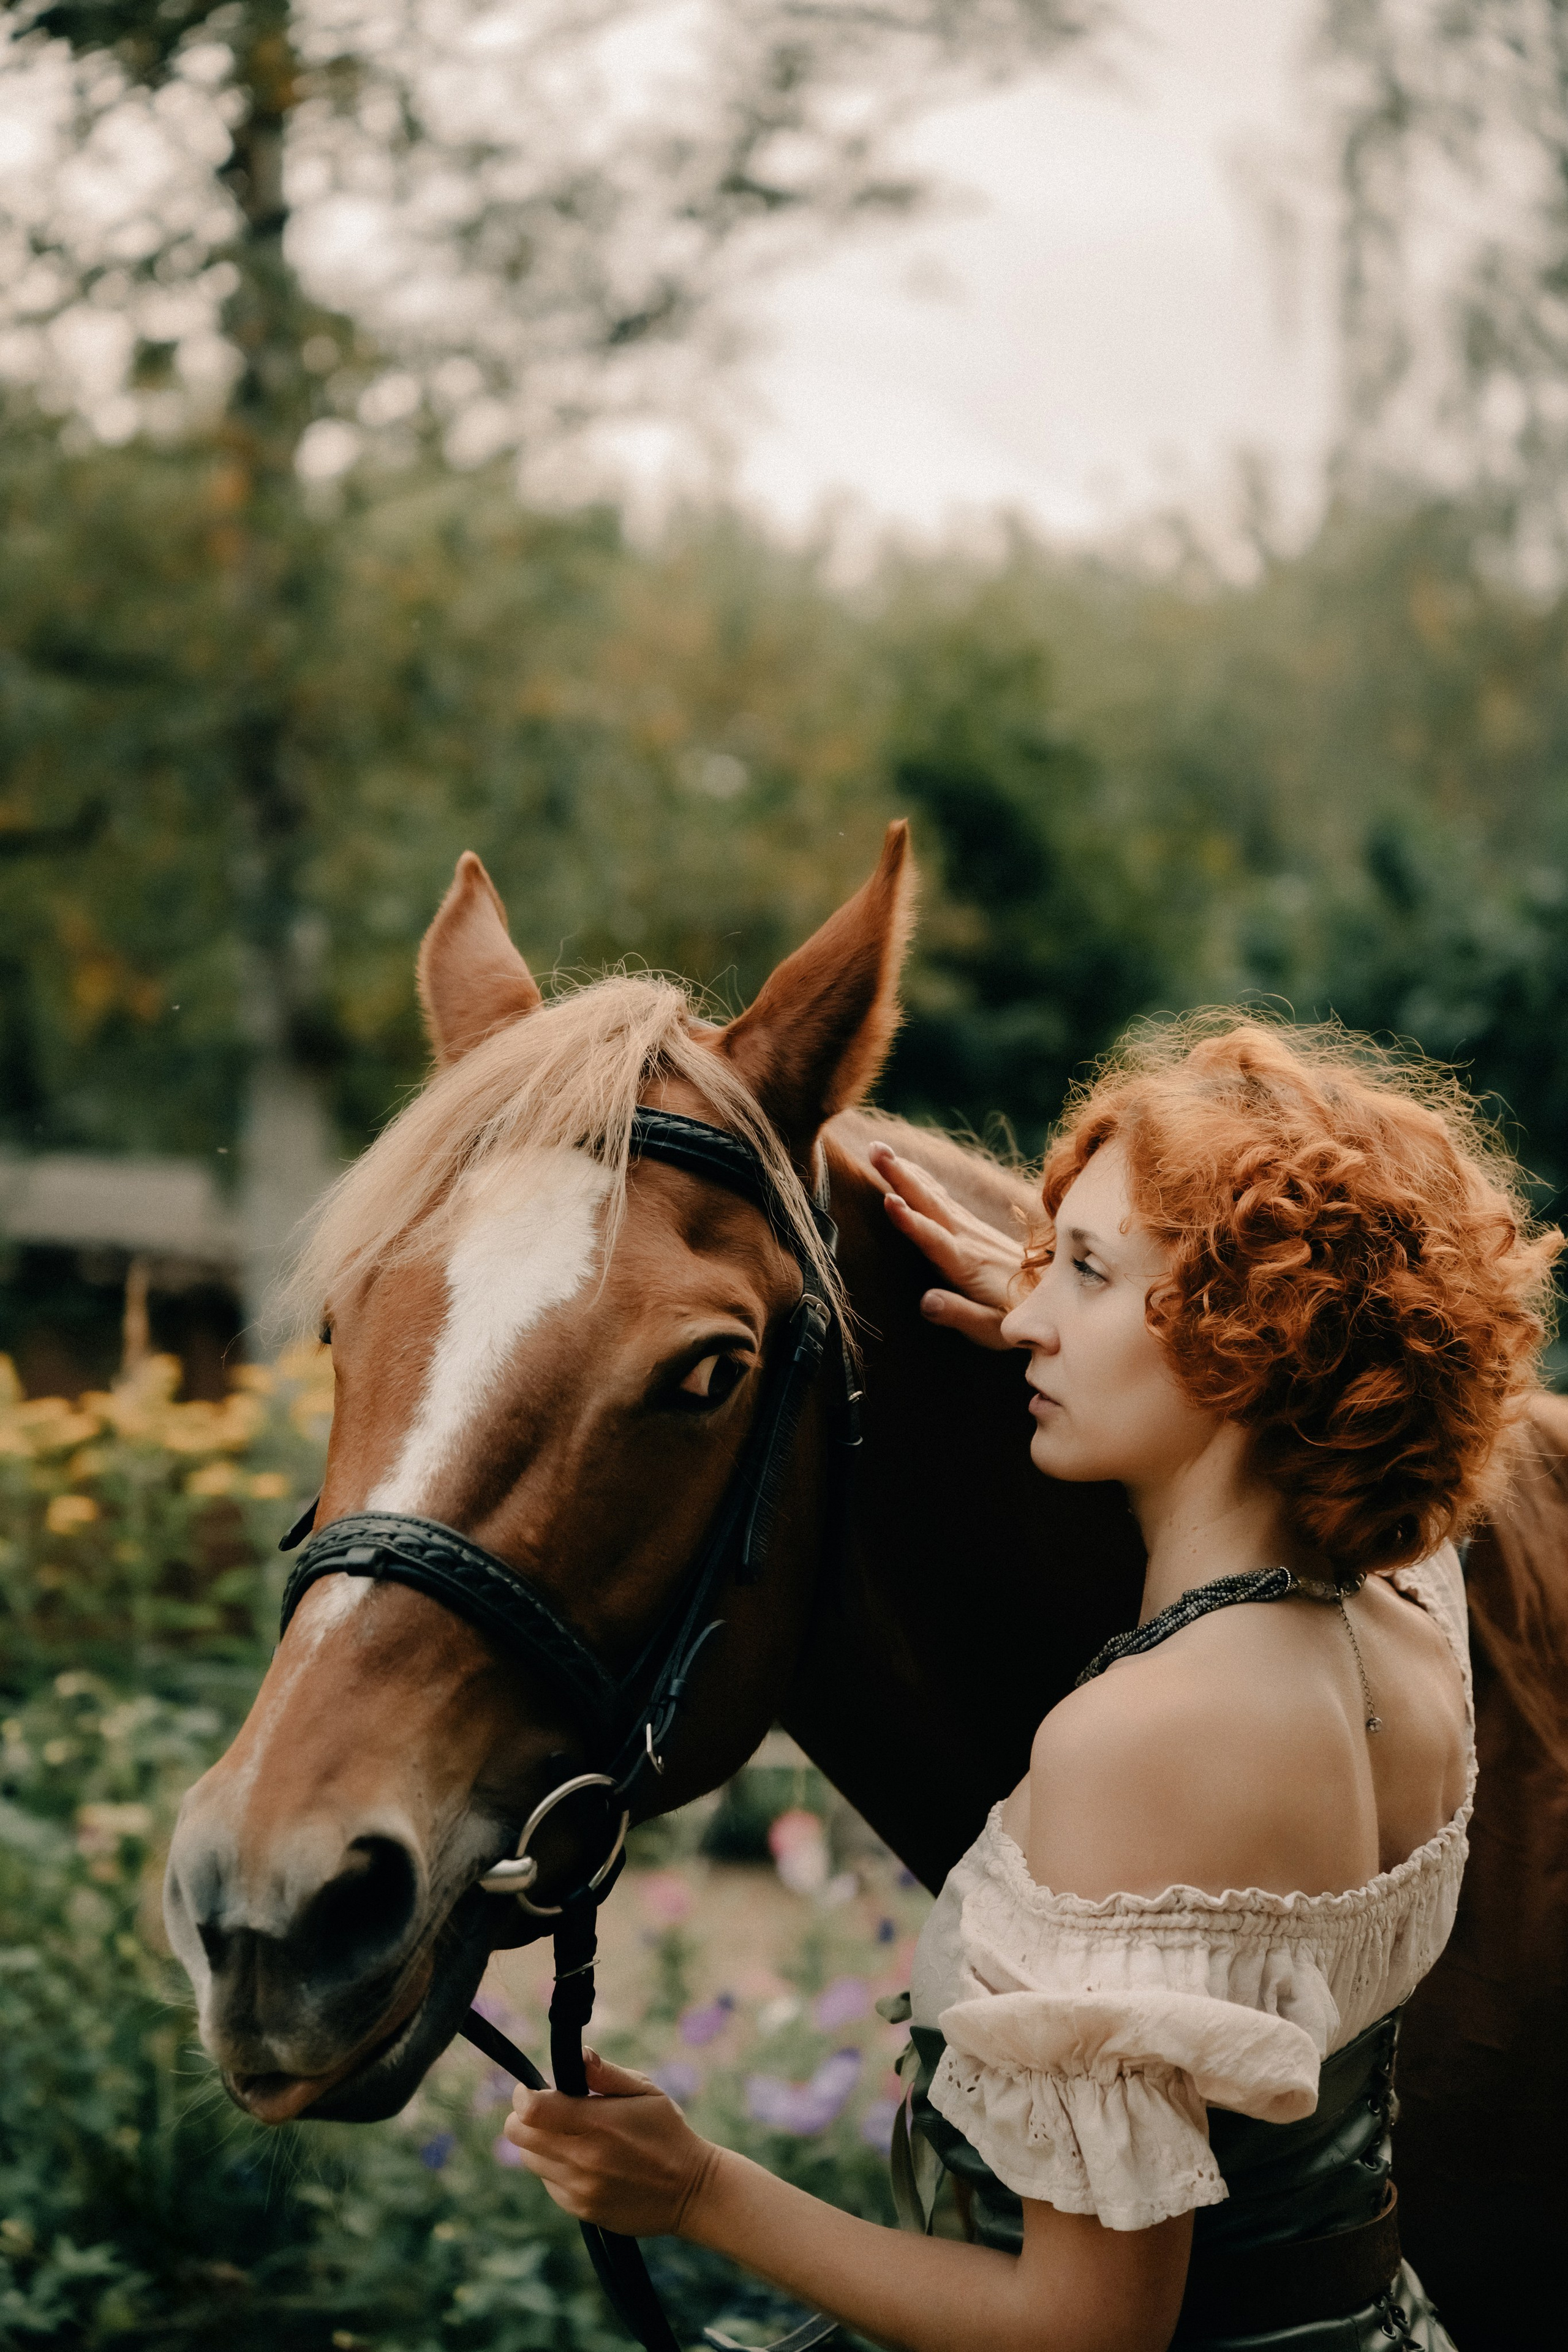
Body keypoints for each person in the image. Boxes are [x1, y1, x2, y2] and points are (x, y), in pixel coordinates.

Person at [502, 1017, 1558, 2352]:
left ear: (1243, 1330)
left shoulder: (1140, 1740)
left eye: (1084, 1272)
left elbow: (1083, 2329)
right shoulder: (1408, 1623)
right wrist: (1087, 1312)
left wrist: (697, 2189)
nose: (1026, 1311)